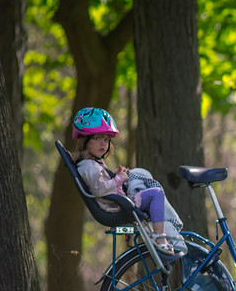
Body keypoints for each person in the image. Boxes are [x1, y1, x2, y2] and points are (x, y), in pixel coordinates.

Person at [71, 106, 181, 255]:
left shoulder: (91, 164)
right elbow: (102, 190)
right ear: (84, 141)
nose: (103, 143)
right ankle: (160, 238)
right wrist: (119, 179)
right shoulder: (90, 167)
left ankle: (161, 231)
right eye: (97, 138)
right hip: (116, 206)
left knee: (142, 179)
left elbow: (102, 183)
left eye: (106, 139)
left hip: (116, 203)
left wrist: (117, 175)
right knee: (156, 194)